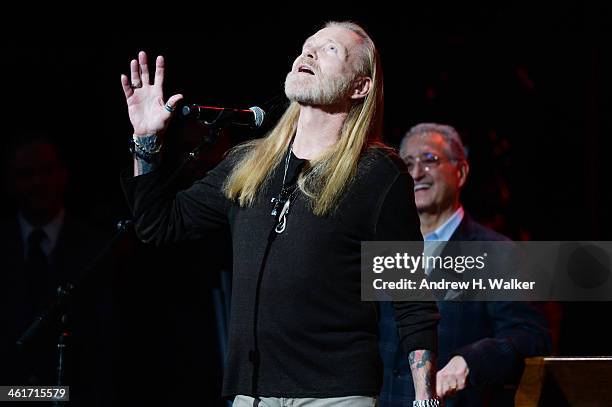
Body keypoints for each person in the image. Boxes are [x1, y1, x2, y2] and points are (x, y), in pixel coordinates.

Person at [120, 21, 441, 406]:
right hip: (251, 392)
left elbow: (410, 299)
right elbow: (158, 226)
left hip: (336, 394)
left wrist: (425, 397)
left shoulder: (376, 174)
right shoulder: (249, 164)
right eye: (307, 47)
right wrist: (146, 141)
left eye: (330, 50)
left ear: (360, 86)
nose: (309, 54)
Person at [377, 123, 551, 406]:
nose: (417, 173)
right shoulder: (383, 248)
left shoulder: (498, 253)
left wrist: (469, 361)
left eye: (429, 160)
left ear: (461, 172)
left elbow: (531, 335)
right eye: (408, 163)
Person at [0, 135, 113, 406]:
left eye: (46, 171)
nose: (38, 183)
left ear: (63, 174)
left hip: (78, 395)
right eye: (26, 174)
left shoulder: (98, 248)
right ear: (10, 180)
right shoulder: (3, 245)